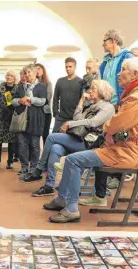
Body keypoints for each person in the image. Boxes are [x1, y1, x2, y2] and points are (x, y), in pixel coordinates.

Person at [44, 57, 138, 223]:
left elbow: (114, 124)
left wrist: (109, 130)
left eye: (123, 69)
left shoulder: (134, 98)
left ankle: (70, 208)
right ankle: (62, 198)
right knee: (61, 151)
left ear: (135, 74)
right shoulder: (129, 96)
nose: (118, 73)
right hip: (117, 148)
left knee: (72, 160)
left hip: (126, 152)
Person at [22, 80, 115, 197]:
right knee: (55, 148)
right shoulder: (91, 105)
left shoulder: (108, 107)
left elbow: (93, 122)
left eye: (93, 88)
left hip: (89, 143)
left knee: (51, 138)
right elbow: (77, 119)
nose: (90, 91)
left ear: (102, 91)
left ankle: (39, 169)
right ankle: (49, 186)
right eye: (90, 88)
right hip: (78, 139)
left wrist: (70, 124)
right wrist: (81, 101)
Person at [100, 29, 135, 189]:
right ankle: (107, 172)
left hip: (122, 103)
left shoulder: (127, 57)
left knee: (121, 137)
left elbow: (128, 81)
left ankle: (117, 175)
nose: (103, 44)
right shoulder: (105, 62)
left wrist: (121, 102)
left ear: (113, 40)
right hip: (108, 104)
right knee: (109, 138)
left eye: (105, 41)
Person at [12, 64, 47, 175]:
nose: (27, 75)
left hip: (35, 120)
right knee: (22, 144)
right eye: (25, 73)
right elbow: (12, 101)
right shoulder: (20, 87)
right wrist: (20, 101)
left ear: (35, 72)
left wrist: (30, 99)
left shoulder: (41, 86)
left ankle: (34, 168)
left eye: (29, 73)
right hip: (22, 120)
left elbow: (42, 101)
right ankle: (24, 167)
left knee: (34, 145)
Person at [0, 70, 18, 169]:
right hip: (0, 118)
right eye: (8, 75)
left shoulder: (17, 89)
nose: (9, 77)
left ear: (14, 78)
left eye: (11, 76)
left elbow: (15, 103)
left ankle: (10, 162)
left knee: (11, 141)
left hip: (11, 118)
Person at [52, 57, 82, 132]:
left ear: (75, 67)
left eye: (70, 66)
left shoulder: (81, 82)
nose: (68, 69)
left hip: (74, 118)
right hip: (61, 117)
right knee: (54, 137)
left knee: (70, 140)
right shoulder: (60, 81)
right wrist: (55, 114)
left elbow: (83, 101)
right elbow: (55, 98)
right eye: (66, 67)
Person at [35, 63, 53, 144]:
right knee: (35, 136)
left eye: (39, 68)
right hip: (34, 113)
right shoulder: (32, 83)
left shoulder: (48, 83)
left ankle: (45, 156)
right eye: (35, 69)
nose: (37, 71)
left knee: (45, 135)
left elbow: (47, 98)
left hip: (46, 112)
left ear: (43, 70)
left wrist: (35, 100)